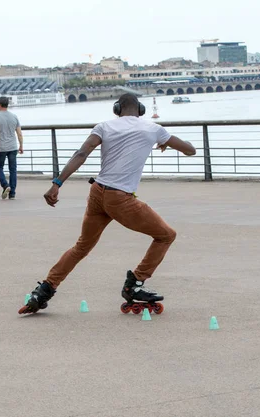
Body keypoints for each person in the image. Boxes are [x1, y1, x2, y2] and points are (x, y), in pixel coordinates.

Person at [19, 93, 196, 314]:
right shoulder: (153, 129)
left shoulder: (104, 127)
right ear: (140, 109)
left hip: (97, 194)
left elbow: (81, 153)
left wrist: (57, 184)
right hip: (120, 198)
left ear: (116, 109)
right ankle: (136, 283)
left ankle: (43, 291)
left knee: (81, 247)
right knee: (166, 235)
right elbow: (190, 150)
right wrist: (165, 142)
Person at [0, 96, 23, 200]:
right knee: (13, 169)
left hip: (1, 147)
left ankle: (5, 185)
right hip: (13, 146)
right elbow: (19, 133)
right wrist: (21, 145)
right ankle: (12, 193)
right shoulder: (14, 116)